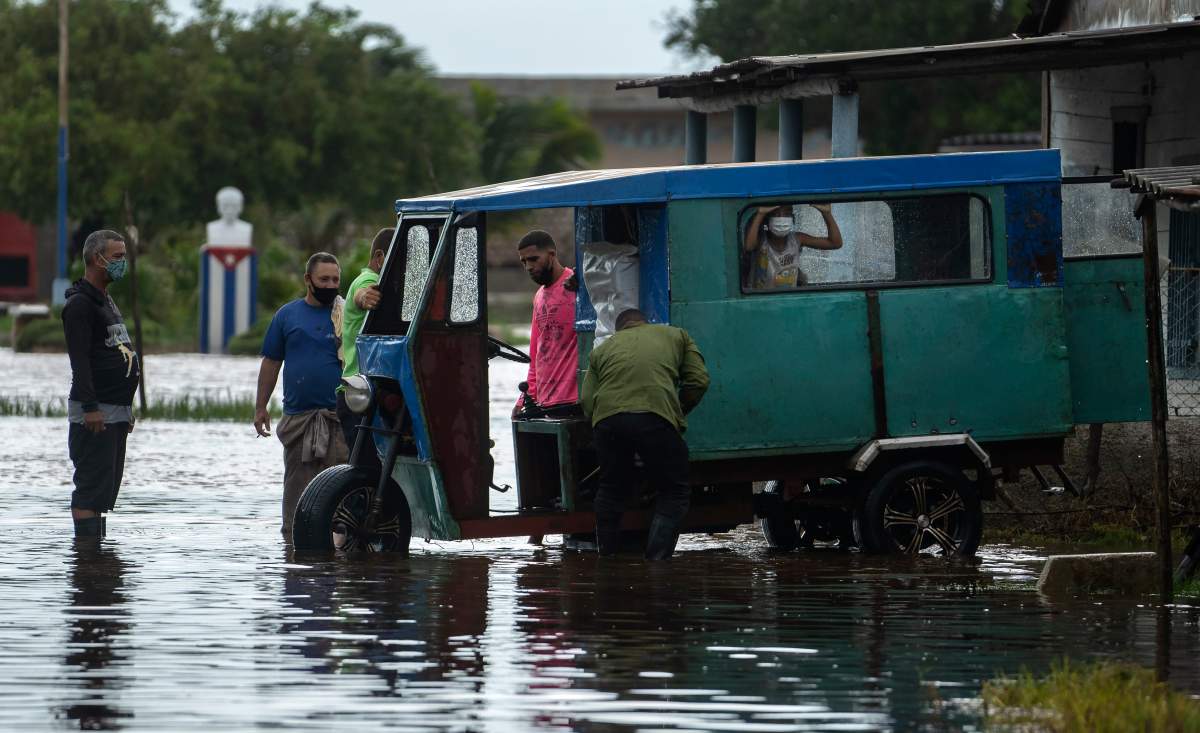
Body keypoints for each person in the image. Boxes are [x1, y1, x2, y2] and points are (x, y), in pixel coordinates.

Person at [580, 308, 710, 559]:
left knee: (610, 488)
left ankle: (606, 559)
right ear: (645, 322)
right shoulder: (676, 335)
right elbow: (699, 381)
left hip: (608, 422)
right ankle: (656, 563)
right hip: (655, 418)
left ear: (619, 330)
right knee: (674, 491)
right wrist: (676, 411)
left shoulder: (602, 350)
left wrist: (606, 422)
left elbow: (587, 401)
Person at [254, 252, 349, 539]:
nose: (330, 285)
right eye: (324, 279)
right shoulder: (287, 315)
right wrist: (260, 407)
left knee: (340, 498)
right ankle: (293, 550)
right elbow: (271, 362)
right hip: (299, 422)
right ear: (308, 280)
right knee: (297, 496)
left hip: (340, 419)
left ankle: (340, 558)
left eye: (335, 279)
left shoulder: (348, 315)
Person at [62, 229, 140, 538]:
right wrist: (91, 407)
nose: (123, 263)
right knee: (90, 488)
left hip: (116, 412)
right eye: (118, 257)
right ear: (98, 258)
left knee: (104, 492)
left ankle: (100, 564)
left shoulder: (106, 300)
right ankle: (87, 561)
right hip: (95, 414)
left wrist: (125, 409)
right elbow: (80, 362)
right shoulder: (80, 305)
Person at [512, 229, 579, 418]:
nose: (528, 267)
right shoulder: (539, 296)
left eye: (534, 259)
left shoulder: (577, 285)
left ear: (552, 255)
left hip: (574, 398)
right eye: (524, 262)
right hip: (544, 400)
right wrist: (524, 399)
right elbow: (536, 354)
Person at [336, 228, 391, 453]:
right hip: (360, 395)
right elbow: (362, 293)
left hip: (365, 393)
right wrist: (365, 296)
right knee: (367, 469)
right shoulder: (369, 279)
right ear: (380, 258)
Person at [743, 203, 843, 289]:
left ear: (793, 219)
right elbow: (749, 246)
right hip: (762, 300)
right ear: (767, 221)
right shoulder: (761, 240)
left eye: (786, 214)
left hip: (789, 298)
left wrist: (827, 213)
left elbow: (835, 243)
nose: (781, 218)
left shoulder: (797, 239)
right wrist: (761, 214)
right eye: (776, 214)